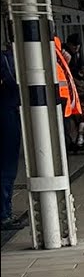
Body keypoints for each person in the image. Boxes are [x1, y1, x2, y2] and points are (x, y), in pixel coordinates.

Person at [1, 43, 20, 225]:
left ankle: (5, 211)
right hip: (7, 113)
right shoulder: (6, 61)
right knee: (7, 167)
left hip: (8, 110)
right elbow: (15, 85)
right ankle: (4, 213)